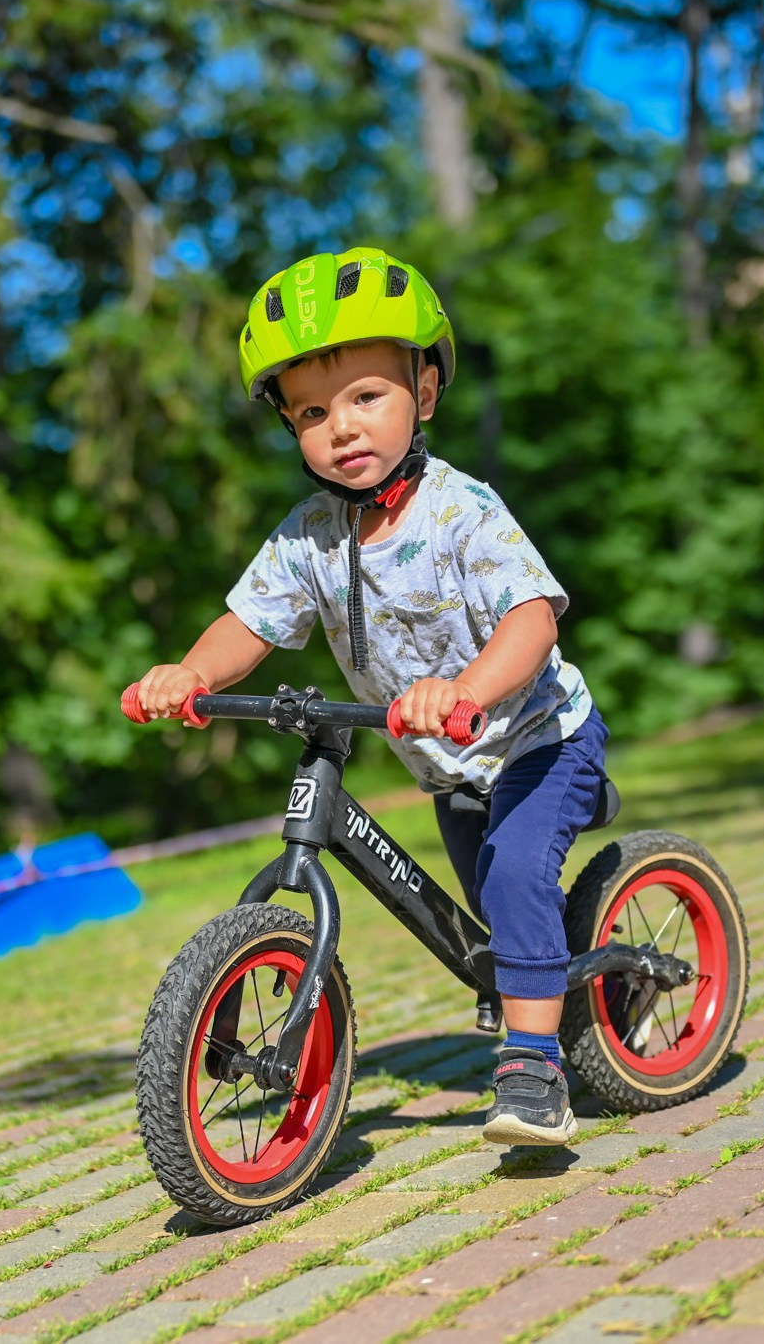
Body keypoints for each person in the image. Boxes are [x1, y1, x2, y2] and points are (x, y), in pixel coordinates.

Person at [127, 247, 603, 1147]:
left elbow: (534, 619)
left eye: (365, 397)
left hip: (538, 738)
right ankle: (533, 989)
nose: (340, 427)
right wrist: (191, 673)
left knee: (511, 880)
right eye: (312, 410)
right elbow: (251, 624)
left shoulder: (463, 510)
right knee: (494, 928)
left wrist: (465, 688)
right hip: (450, 767)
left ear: (424, 393)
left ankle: (538, 1072)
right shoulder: (310, 535)